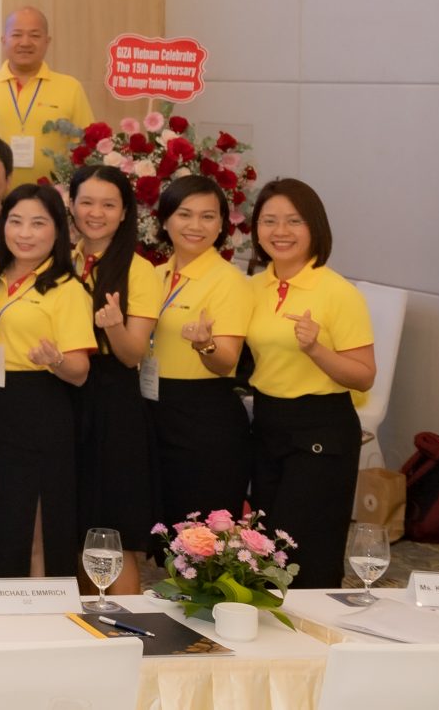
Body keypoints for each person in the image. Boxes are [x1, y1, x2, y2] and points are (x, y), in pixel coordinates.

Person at [245, 179, 375, 590]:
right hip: (267, 424)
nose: (280, 231)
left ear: (314, 227)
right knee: (265, 549)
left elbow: (364, 375)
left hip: (321, 429)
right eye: (269, 221)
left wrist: (316, 349)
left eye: (293, 221)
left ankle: (320, 630)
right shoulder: (252, 287)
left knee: (306, 552)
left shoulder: (338, 292)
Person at [0, 183, 93, 578]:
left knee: (35, 516)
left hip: (37, 410)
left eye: (38, 223)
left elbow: (79, 371)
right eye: (16, 221)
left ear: (58, 230)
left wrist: (55, 360)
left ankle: (45, 603)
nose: (25, 233)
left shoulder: (67, 288)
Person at [68, 165, 160, 589]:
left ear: (124, 213)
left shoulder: (139, 270)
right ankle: (82, 620)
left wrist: (115, 326)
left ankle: (125, 622)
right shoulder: (61, 261)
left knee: (112, 530)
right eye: (86, 202)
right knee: (74, 523)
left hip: (112, 399)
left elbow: (132, 354)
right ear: (71, 205)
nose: (96, 213)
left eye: (108, 205)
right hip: (65, 391)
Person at [148, 174, 254, 531]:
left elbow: (226, 362)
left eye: (208, 216)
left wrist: (204, 345)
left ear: (221, 225)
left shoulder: (228, 280)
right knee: (163, 531)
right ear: (165, 220)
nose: (195, 226)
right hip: (155, 409)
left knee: (201, 538)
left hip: (203, 419)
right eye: (184, 214)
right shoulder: (154, 275)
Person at [0, 8, 96, 186]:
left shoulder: (70, 87)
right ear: (4, 40)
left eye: (34, 35)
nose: (25, 42)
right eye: (17, 35)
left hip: (52, 195)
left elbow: (85, 146)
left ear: (47, 41)